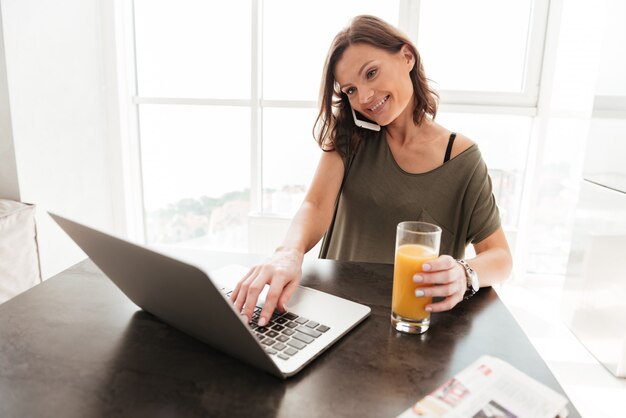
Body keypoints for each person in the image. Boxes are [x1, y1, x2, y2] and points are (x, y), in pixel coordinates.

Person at [231, 15, 512, 327]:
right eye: (350, 90)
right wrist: (287, 252)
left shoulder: (462, 159)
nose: (364, 97)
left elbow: (500, 257)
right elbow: (315, 205)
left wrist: (465, 272)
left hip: (411, 325)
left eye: (372, 73)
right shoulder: (352, 135)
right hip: (331, 316)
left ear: (406, 57)